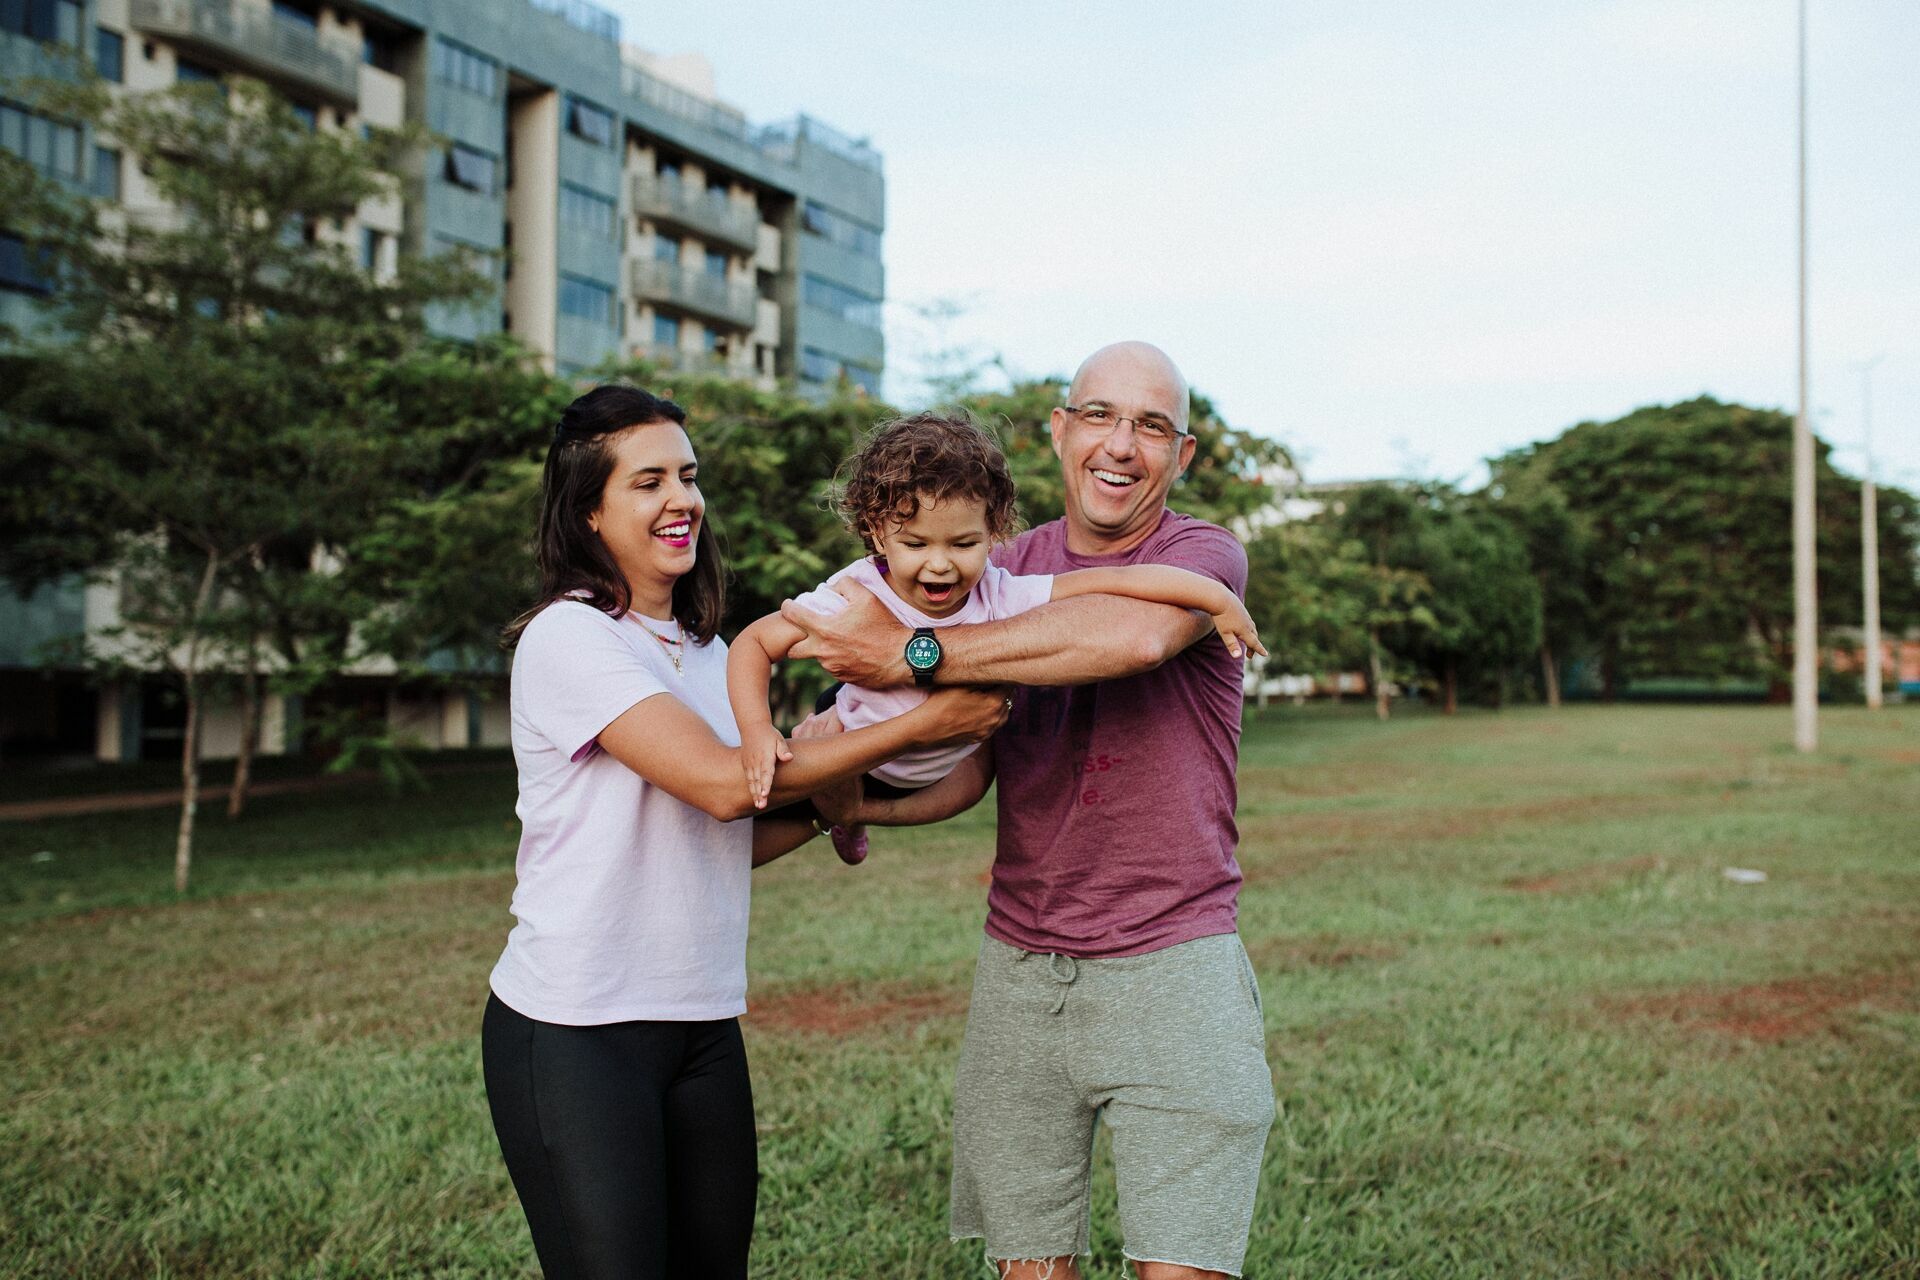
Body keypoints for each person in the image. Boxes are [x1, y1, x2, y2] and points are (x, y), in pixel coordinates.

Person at [480, 384, 1009, 1280]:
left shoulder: (708, 654)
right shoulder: (569, 638)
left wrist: (845, 793)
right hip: (577, 1029)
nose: (681, 499)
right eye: (647, 482)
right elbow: (729, 788)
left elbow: (731, 832)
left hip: (700, 1022)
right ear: (590, 511)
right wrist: (921, 723)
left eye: (687, 476)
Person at [786, 343, 1276, 1280]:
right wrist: (838, 789)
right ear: (1059, 431)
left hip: (1173, 962)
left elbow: (1130, 637)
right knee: (1027, 1266)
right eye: (1098, 415)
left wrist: (912, 653)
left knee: (1183, 1266)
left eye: (1152, 426)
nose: (1121, 445)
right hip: (1022, 965)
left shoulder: (1198, 555)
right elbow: (968, 766)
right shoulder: (982, 563)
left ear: (1185, 455)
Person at [725, 412, 1266, 864]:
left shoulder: (1001, 591)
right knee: (741, 816)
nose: (939, 565)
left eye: (963, 544)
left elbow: (1114, 578)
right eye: (914, 544)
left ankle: (847, 818)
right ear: (876, 531)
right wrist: (756, 731)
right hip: (849, 739)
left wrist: (1214, 597)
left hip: (927, 771)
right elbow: (754, 643)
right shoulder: (857, 592)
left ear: (996, 531)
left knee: (963, 789)